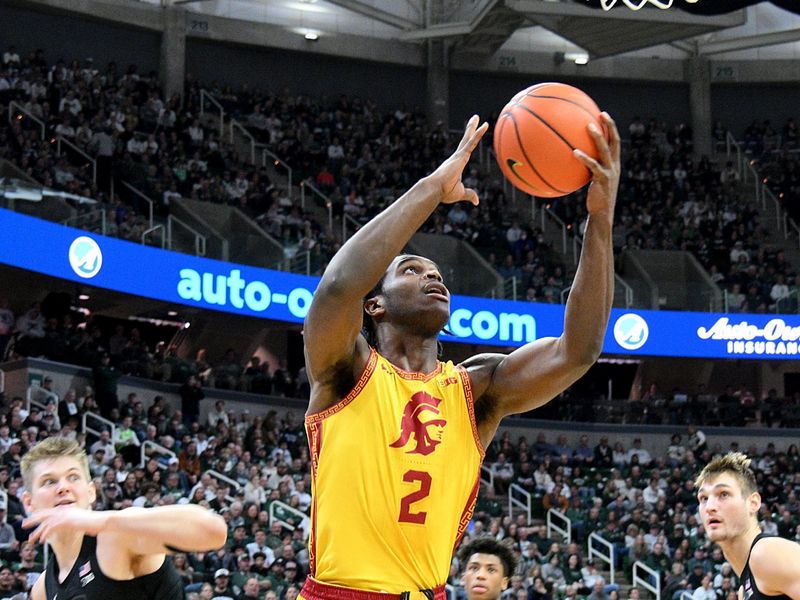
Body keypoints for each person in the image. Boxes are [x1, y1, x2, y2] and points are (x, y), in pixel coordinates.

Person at [301, 112, 620, 600]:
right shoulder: (345, 370)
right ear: (375, 304)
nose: (434, 277)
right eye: (411, 269)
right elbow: (339, 286)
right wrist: (432, 188)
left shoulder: (477, 388)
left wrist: (600, 220)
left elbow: (578, 350)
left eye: (437, 273)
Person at [20, 437, 228, 600]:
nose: (63, 487)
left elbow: (213, 531)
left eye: (73, 477)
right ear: (29, 503)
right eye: (49, 481)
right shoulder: (43, 589)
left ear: (91, 492)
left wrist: (102, 521)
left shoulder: (116, 537)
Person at [695, 452, 800, 600]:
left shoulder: (767, 553)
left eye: (723, 494)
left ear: (753, 503)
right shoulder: (744, 590)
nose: (709, 507)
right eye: (704, 498)